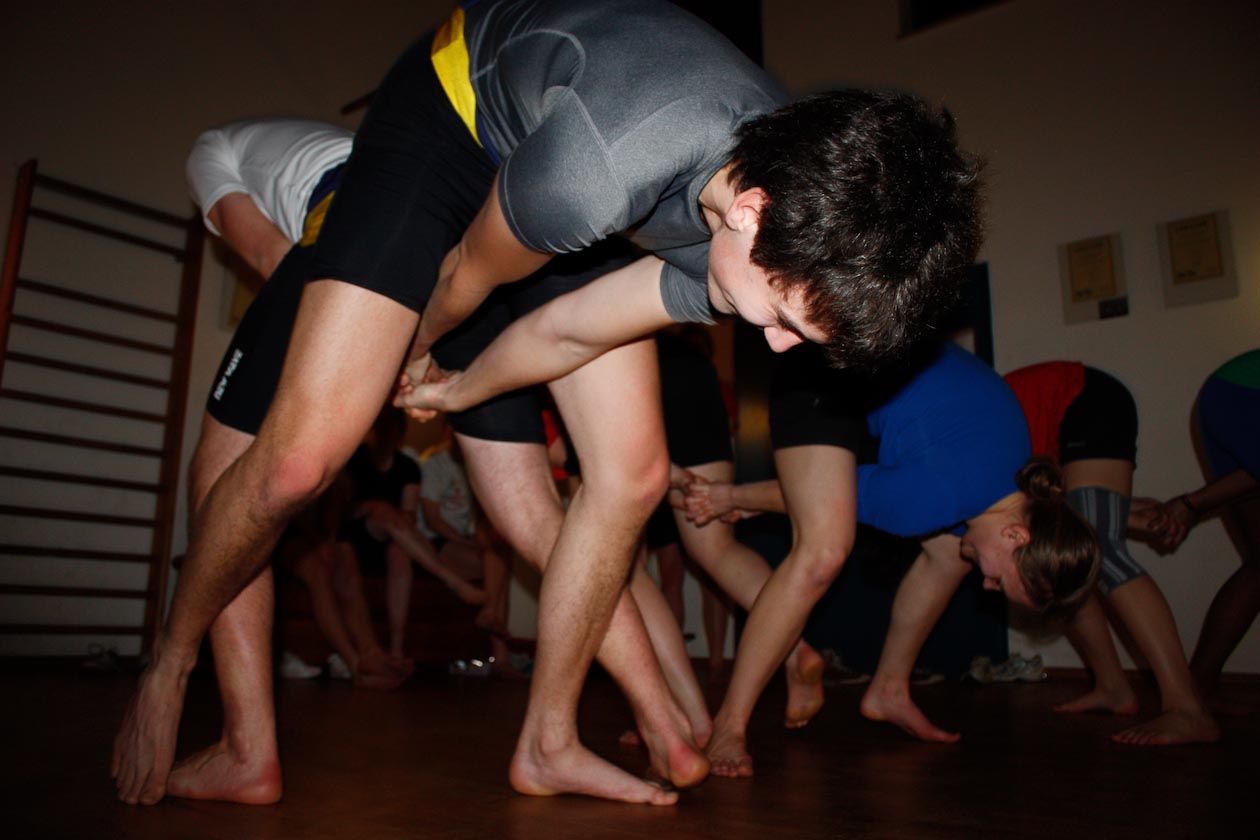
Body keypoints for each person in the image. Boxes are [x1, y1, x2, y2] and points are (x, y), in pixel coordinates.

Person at [116, 0, 983, 807]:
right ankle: (171, 658)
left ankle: (549, 742)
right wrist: (408, 361)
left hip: (575, 160)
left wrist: (459, 388)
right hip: (449, 125)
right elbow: (464, 280)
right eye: (787, 320)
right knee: (302, 462)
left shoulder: (769, 223)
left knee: (633, 476)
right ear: (751, 213)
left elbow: (567, 331)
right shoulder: (601, 172)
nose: (780, 348)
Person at [683, 342, 1098, 770]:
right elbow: (819, 499)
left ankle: (889, 690)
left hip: (874, 369)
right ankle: (730, 724)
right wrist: (732, 497)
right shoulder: (931, 498)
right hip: (821, 368)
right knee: (823, 552)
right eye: (1000, 580)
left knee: (951, 554)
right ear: (1016, 535)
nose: (988, 585)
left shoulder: (1017, 477)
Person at [113, 117, 351, 806]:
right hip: (442, 239)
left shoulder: (208, 152)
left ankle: (241, 743)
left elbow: (275, 260)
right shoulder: (316, 147)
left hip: (349, 224)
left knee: (225, 488)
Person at [1003, 361, 1218, 745]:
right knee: (1062, 563)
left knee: (1103, 550)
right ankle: (1112, 687)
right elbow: (1033, 500)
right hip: (1066, 420)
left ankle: (1187, 708)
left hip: (1086, 400)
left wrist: (1112, 515)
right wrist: (1122, 513)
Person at [1149, 349, 1260, 695]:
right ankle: (1197, 682)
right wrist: (1191, 505)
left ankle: (1197, 685)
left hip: (1228, 393)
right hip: (1244, 394)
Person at [340, 406, 486, 659]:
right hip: (355, 537)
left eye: (392, 429)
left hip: (393, 537)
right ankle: (452, 580)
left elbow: (408, 514)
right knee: (382, 511)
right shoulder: (353, 460)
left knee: (399, 551)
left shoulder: (407, 467)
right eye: (382, 428)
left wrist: (391, 514)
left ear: (400, 433)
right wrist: (371, 506)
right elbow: (340, 510)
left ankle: (397, 649)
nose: (386, 435)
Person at [273, 475, 414, 689]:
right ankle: (353, 662)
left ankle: (371, 652)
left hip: (319, 532)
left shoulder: (338, 474)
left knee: (346, 556)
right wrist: (317, 541)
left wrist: (329, 541)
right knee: (317, 570)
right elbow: (287, 509)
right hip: (281, 532)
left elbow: (335, 510)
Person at [414, 421, 524, 677]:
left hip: (464, 539)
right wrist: (468, 543)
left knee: (500, 552)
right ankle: (499, 652)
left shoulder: (476, 464)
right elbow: (433, 520)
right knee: (497, 562)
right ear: (446, 431)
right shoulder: (435, 464)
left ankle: (494, 634)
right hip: (434, 541)